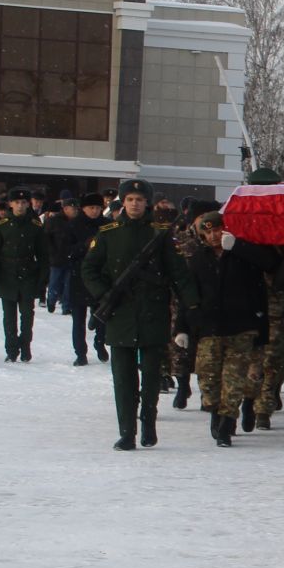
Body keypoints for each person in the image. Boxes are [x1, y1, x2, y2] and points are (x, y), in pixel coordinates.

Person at [81, 179, 198, 451]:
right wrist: (105, 295)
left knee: (151, 377)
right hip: (119, 313)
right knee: (123, 379)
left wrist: (192, 305)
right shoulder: (108, 233)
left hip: (152, 311)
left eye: (140, 199)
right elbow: (89, 270)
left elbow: (178, 272)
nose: (135, 204)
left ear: (147, 203)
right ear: (123, 202)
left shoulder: (160, 233)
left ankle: (148, 423)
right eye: (130, 199)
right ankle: (127, 432)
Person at [177, 209, 268, 446]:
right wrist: (182, 328)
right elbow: (188, 295)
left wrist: (237, 247)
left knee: (234, 379)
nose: (215, 236)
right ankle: (216, 413)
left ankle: (227, 422)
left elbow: (268, 263)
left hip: (241, 327)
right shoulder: (197, 259)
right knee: (208, 378)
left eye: (218, 230)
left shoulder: (241, 254)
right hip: (209, 328)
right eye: (209, 232)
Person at [0, 188, 44, 362]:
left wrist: (42, 279)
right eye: (17, 202)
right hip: (7, 274)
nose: (20, 206)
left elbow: (43, 255)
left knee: (27, 315)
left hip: (28, 274)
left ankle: (25, 345)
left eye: (24, 202)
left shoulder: (35, 226)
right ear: (10, 204)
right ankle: (11, 349)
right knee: (9, 316)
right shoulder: (1, 226)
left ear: (28, 204)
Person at [62, 194, 103, 365]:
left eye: (98, 208)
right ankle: (80, 353)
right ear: (84, 209)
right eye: (91, 208)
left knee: (102, 315)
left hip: (100, 277)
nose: (94, 211)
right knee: (78, 318)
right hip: (78, 276)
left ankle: (100, 344)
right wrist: (84, 246)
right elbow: (65, 251)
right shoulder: (73, 225)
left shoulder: (106, 225)